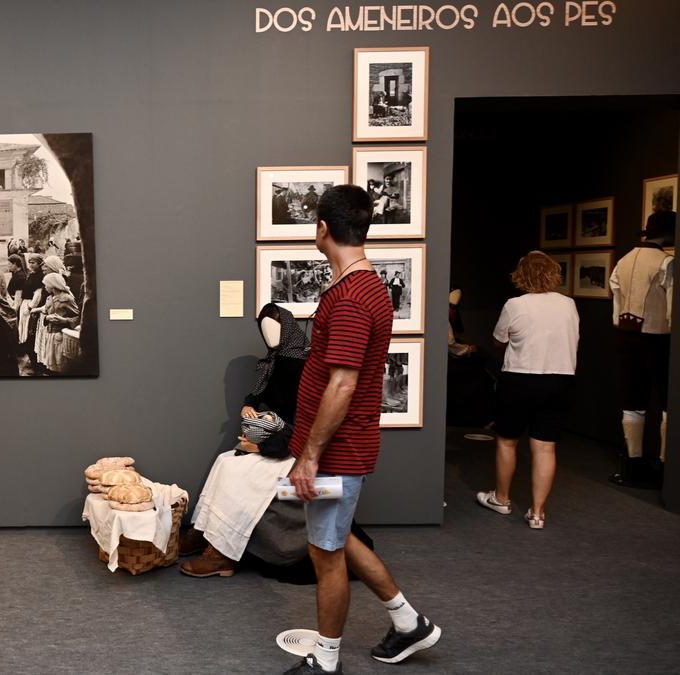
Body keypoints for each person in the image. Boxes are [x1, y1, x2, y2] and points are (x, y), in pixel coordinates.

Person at [283, 186, 440, 674]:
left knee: (325, 552)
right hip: (339, 444)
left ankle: (325, 661)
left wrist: (310, 456)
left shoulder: (352, 296)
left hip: (338, 448)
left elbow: (343, 384)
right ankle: (409, 622)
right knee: (340, 537)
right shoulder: (360, 285)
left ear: (323, 228)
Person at [181, 303, 309, 578]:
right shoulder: (275, 361)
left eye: (274, 327)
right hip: (278, 438)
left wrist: (261, 447)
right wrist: (249, 404)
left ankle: (223, 555)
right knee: (224, 460)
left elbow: (303, 422)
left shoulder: (299, 365)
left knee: (235, 471)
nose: (269, 334)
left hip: (293, 448)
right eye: (264, 329)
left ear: (287, 329)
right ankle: (203, 532)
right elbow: (261, 392)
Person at [475, 251, 578, 530]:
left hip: (520, 379)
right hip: (560, 380)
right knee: (545, 447)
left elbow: (499, 339)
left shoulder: (515, 304)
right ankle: (537, 513)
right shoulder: (568, 304)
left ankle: (502, 499)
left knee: (508, 440)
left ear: (521, 275)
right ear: (553, 273)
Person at [608, 211, 674, 485]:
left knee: (632, 400)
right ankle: (664, 465)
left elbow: (616, 302)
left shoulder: (623, 260)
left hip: (625, 338)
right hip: (659, 338)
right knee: (669, 403)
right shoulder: (667, 263)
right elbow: (672, 307)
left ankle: (633, 463)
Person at [36, 272, 80, 374]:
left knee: (60, 365)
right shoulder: (49, 298)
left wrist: (64, 320)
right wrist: (47, 318)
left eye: (46, 284)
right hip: (49, 336)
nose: (45, 287)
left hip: (60, 336)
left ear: (52, 285)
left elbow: (78, 317)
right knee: (51, 365)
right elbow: (46, 314)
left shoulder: (67, 298)